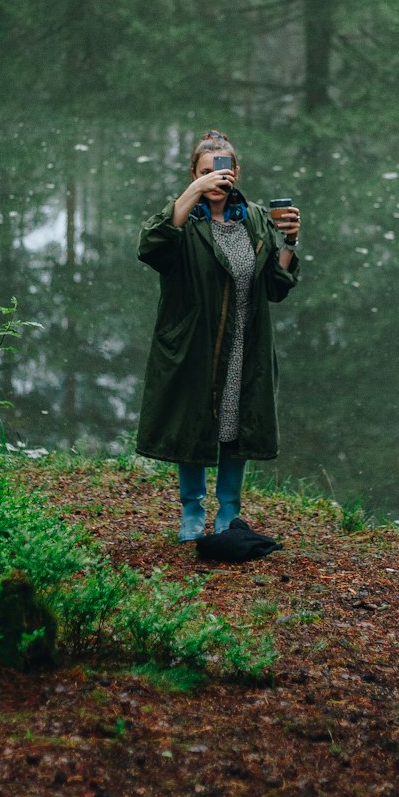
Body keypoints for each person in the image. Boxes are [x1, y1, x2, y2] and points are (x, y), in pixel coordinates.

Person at [136, 129, 301, 541]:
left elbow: (276, 286)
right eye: (205, 172)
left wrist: (290, 241)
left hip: (245, 344)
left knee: (235, 426)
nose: (215, 179)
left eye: (221, 171)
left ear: (236, 173)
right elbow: (151, 247)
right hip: (194, 344)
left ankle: (229, 511)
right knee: (191, 423)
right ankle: (191, 511)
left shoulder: (256, 219)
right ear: (193, 174)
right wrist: (192, 194)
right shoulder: (182, 220)